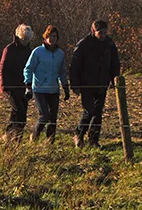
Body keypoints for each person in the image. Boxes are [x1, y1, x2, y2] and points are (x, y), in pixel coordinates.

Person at [69, 19, 121, 149]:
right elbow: (74, 66)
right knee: (89, 111)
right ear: (93, 31)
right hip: (86, 84)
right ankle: (79, 134)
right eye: (100, 33)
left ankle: (93, 140)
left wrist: (114, 78)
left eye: (104, 33)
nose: (103, 35)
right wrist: (74, 84)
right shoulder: (84, 44)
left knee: (98, 113)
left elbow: (115, 62)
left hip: (102, 82)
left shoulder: (109, 44)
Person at [24, 25, 69, 144]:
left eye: (55, 36)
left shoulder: (60, 54)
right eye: (50, 36)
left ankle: (50, 141)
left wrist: (65, 86)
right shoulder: (38, 52)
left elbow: (62, 71)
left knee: (53, 118)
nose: (52, 39)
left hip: (54, 89)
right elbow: (28, 68)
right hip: (39, 89)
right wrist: (28, 85)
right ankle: (34, 136)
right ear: (45, 37)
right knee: (44, 115)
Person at [0, 24, 34, 143]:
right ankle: (15, 137)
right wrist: (4, 86)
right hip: (12, 87)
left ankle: (10, 136)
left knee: (17, 113)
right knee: (20, 112)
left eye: (27, 40)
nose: (25, 42)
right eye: (24, 39)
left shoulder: (28, 51)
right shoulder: (9, 49)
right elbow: (3, 68)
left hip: (23, 87)